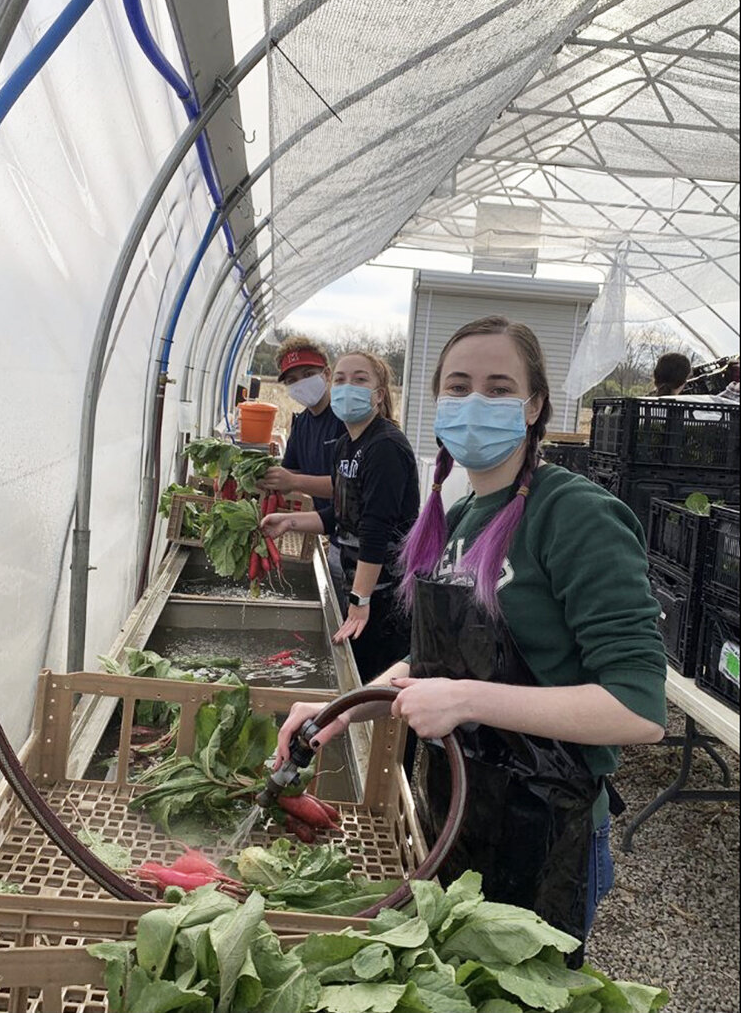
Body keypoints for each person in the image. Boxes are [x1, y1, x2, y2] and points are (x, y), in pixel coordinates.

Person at [273, 317, 667, 960]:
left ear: (534, 405)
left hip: (547, 828)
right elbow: (436, 661)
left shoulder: (574, 516)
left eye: (498, 386)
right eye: (458, 388)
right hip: (461, 811)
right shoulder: (455, 518)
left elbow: (638, 708)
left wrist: (467, 699)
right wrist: (341, 708)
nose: (473, 402)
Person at [262, 351, 419, 683]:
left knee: (382, 687)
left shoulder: (386, 446)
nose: (348, 387)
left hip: (385, 594)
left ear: (378, 395)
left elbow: (375, 529)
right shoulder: (345, 446)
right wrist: (289, 522)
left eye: (360, 380)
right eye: (342, 380)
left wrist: (360, 599)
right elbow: (341, 516)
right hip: (358, 584)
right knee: (355, 678)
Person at [260, 336, 347, 598]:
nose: (301, 384)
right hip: (332, 531)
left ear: (327, 373)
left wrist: (293, 482)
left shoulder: (346, 420)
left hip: (361, 541)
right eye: (292, 380)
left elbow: (351, 488)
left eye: (308, 374)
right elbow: (293, 472)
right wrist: (267, 479)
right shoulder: (302, 423)